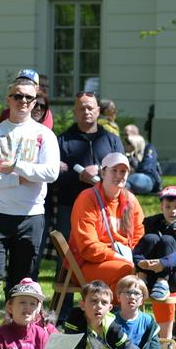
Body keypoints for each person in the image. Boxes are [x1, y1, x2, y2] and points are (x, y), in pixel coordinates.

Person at [0, 77, 60, 349]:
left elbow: (51, 173)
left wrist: (14, 167)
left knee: (24, 279)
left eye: (29, 98)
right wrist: (17, 179)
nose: (23, 102)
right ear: (8, 99)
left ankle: (20, 331)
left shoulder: (44, 135)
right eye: (18, 96)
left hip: (30, 216)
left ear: (35, 103)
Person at [68, 152, 143, 298]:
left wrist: (136, 258)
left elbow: (139, 235)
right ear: (103, 172)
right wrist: (118, 257)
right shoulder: (87, 198)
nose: (119, 175)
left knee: (157, 271)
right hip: (87, 263)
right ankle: (117, 317)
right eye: (114, 170)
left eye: (123, 171)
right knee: (127, 272)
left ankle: (163, 322)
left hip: (124, 260)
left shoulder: (130, 200)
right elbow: (88, 247)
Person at [55, 92, 123, 248]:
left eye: (90, 108)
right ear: (74, 112)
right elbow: (54, 177)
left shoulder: (112, 140)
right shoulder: (62, 141)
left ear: (98, 110)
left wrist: (100, 170)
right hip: (70, 205)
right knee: (68, 254)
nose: (86, 112)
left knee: (105, 248)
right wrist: (77, 176)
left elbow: (123, 171)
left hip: (106, 205)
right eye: (82, 108)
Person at [133, 185, 176, 348]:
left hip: (175, 278)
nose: (172, 211)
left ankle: (162, 281)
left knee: (168, 240)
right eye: (168, 207)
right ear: (162, 206)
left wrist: (163, 264)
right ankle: (143, 279)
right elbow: (138, 249)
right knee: (151, 238)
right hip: (151, 272)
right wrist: (140, 262)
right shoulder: (153, 223)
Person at [113, 275, 176, 349]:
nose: (132, 297)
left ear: (142, 300)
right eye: (128, 292)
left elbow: (155, 346)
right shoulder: (112, 320)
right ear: (118, 297)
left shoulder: (148, 320)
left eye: (137, 293)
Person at [122, 127, 162, 195]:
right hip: (134, 178)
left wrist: (134, 167)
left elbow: (147, 168)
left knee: (121, 181)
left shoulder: (148, 148)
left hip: (148, 178)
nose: (126, 144)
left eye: (129, 142)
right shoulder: (129, 154)